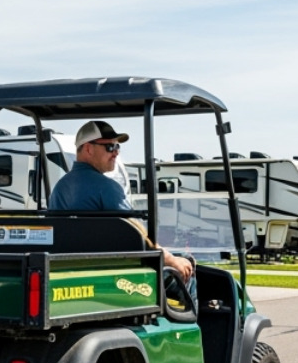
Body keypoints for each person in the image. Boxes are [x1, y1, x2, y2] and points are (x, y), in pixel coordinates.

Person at [49, 120, 196, 287]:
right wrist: (174, 261)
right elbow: (140, 239)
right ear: (88, 149)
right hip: (115, 275)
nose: (116, 153)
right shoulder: (107, 187)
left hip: (71, 270)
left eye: (117, 147)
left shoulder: (59, 188)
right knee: (188, 272)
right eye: (110, 147)